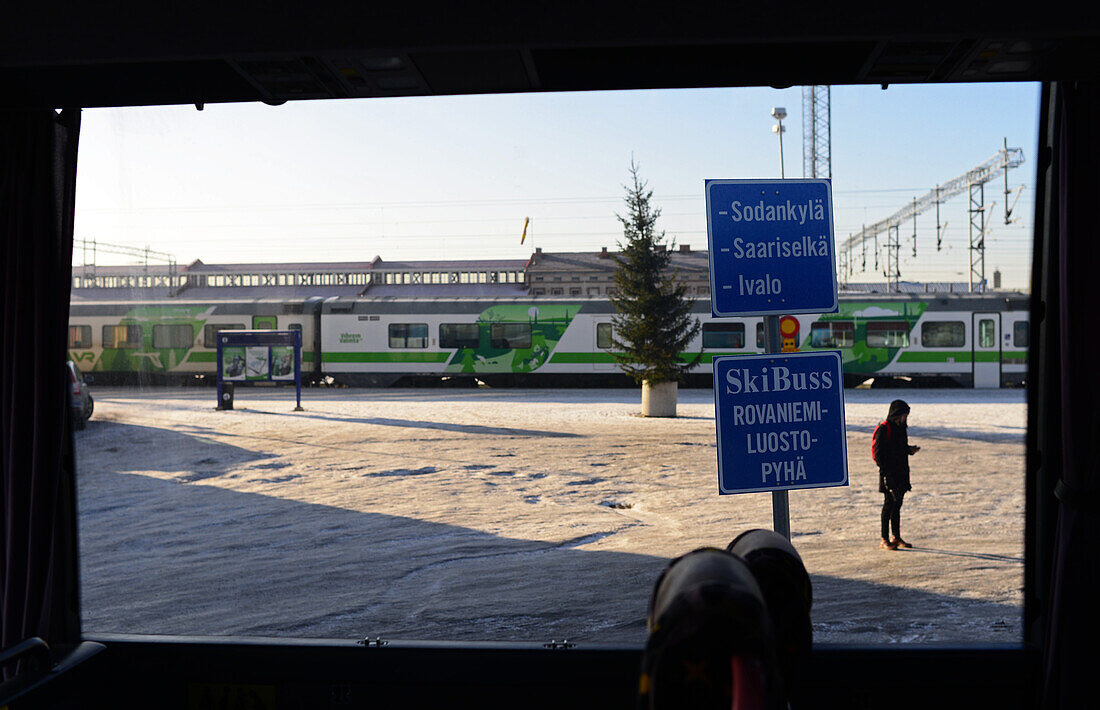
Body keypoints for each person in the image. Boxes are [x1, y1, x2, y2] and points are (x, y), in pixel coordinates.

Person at [873, 399, 920, 550]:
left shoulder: (900, 429)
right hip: (889, 475)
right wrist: (887, 474)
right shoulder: (884, 429)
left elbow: (898, 448)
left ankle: (896, 537)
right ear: (896, 415)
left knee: (897, 505)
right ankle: (884, 538)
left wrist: (909, 450)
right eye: (904, 415)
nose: (905, 418)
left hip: (901, 473)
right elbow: (879, 455)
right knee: (888, 505)